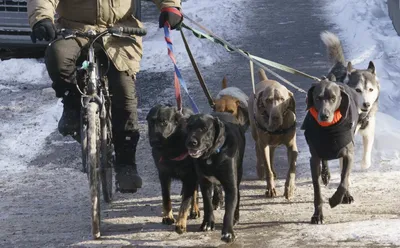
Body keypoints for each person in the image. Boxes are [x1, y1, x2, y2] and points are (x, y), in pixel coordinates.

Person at [28, 0, 183, 193]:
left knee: (124, 94)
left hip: (120, 32)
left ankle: (126, 164)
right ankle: (72, 107)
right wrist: (42, 18)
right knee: (57, 57)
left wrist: (170, 7)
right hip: (74, 30)